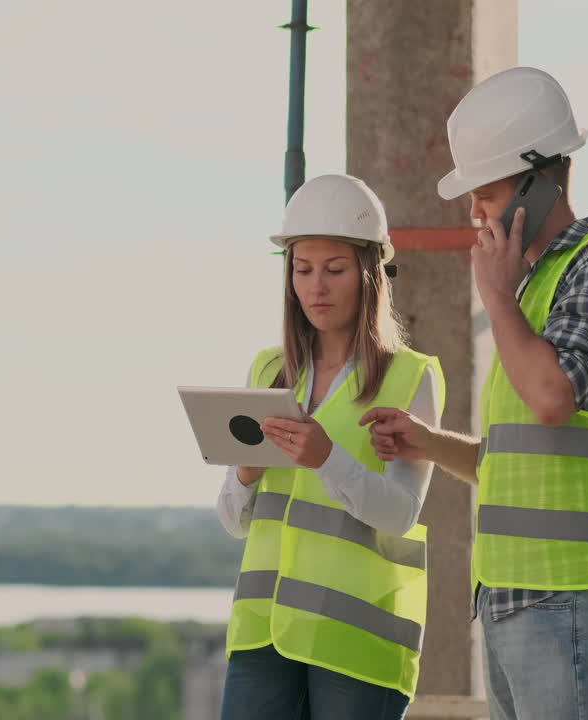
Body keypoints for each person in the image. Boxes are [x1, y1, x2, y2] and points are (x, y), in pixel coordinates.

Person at [361, 67, 588, 720]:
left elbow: (553, 398)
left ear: (541, 180)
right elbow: (521, 462)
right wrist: (430, 443)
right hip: (515, 597)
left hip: (572, 598)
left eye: (487, 194)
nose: (475, 214)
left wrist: (496, 299)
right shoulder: (535, 291)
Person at [214, 173, 445, 719]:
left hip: (357, 643)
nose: (316, 286)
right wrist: (245, 473)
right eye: (303, 269)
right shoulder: (268, 370)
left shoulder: (412, 378)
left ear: (370, 275)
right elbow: (233, 521)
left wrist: (327, 459)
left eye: (334, 270)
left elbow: (400, 514)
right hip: (262, 634)